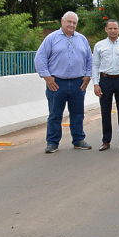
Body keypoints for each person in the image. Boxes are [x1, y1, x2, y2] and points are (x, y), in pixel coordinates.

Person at [34, 11, 93, 153]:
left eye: (74, 23)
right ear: (62, 21)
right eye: (69, 22)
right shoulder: (51, 38)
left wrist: (88, 75)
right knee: (55, 114)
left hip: (78, 82)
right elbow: (40, 58)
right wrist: (47, 77)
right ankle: (52, 143)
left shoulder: (82, 39)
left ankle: (78, 139)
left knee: (78, 113)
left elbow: (89, 59)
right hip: (57, 83)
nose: (71, 25)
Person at [92, 19, 119, 151]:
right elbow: (95, 65)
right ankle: (106, 141)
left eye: (115, 28)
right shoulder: (99, 45)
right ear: (106, 29)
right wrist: (95, 83)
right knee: (105, 112)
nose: (112, 30)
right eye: (110, 28)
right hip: (105, 80)